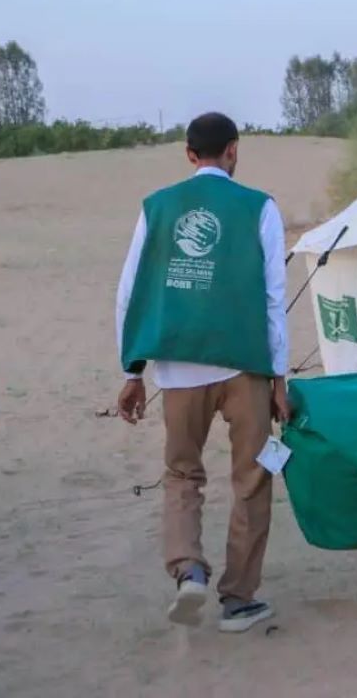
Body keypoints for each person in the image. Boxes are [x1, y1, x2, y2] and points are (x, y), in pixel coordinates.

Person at [115, 112, 288, 633]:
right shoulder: (261, 207)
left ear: (190, 155)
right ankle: (238, 599)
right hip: (246, 367)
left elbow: (129, 293)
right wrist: (280, 377)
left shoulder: (156, 207)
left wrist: (132, 371)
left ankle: (188, 567)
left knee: (182, 474)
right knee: (253, 478)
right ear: (233, 150)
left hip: (177, 371)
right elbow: (274, 297)